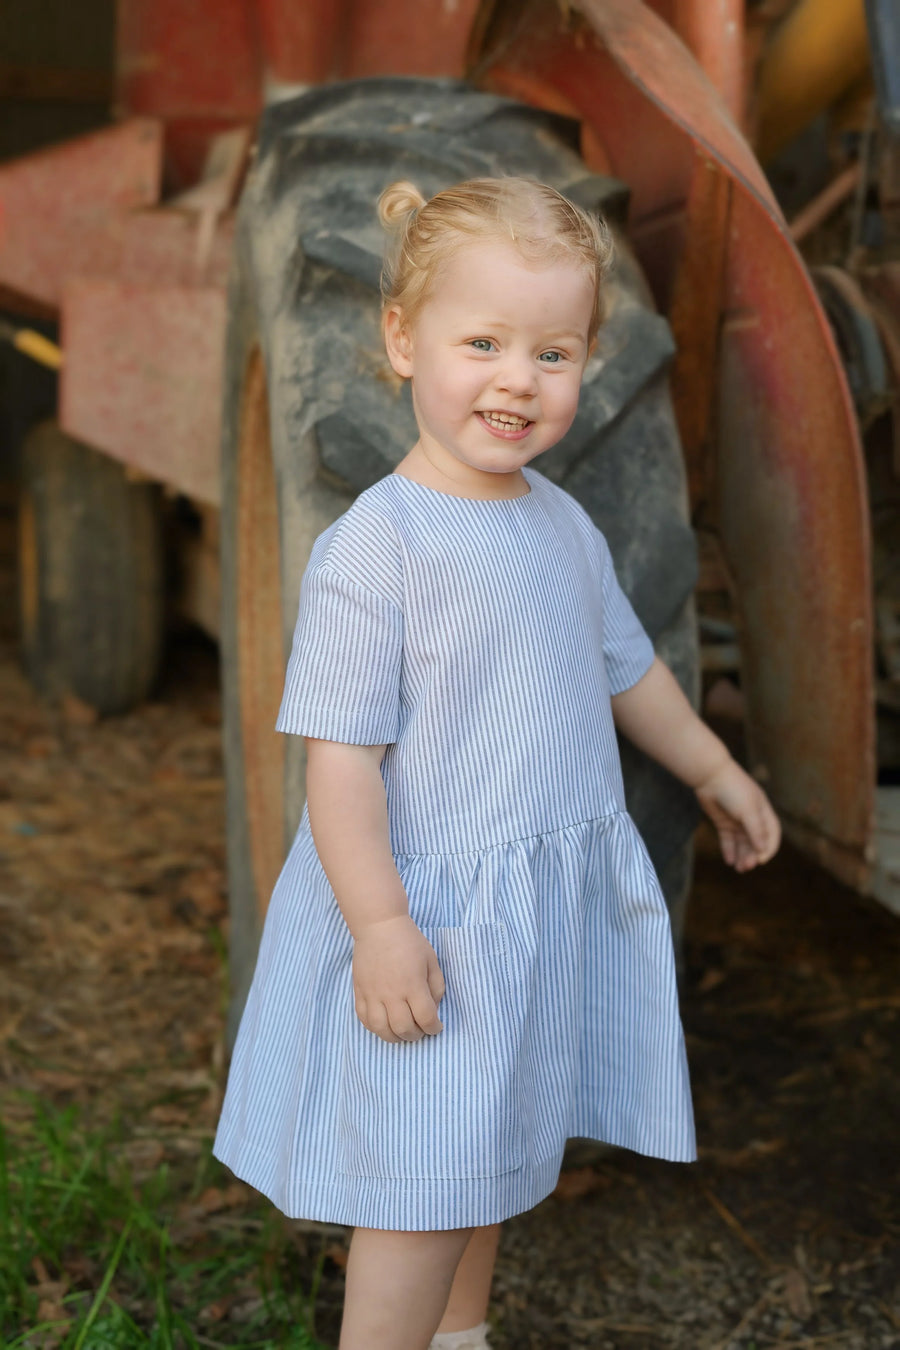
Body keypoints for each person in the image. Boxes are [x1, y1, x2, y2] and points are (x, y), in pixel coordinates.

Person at [214, 175, 781, 1350]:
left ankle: (460, 1339)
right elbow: (341, 765)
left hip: (520, 915)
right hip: (430, 915)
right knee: (423, 1192)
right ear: (401, 338)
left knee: (490, 1160)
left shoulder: (560, 525)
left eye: (554, 351)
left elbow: (627, 670)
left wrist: (717, 769)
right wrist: (378, 925)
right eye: (484, 343)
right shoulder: (377, 549)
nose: (519, 379)